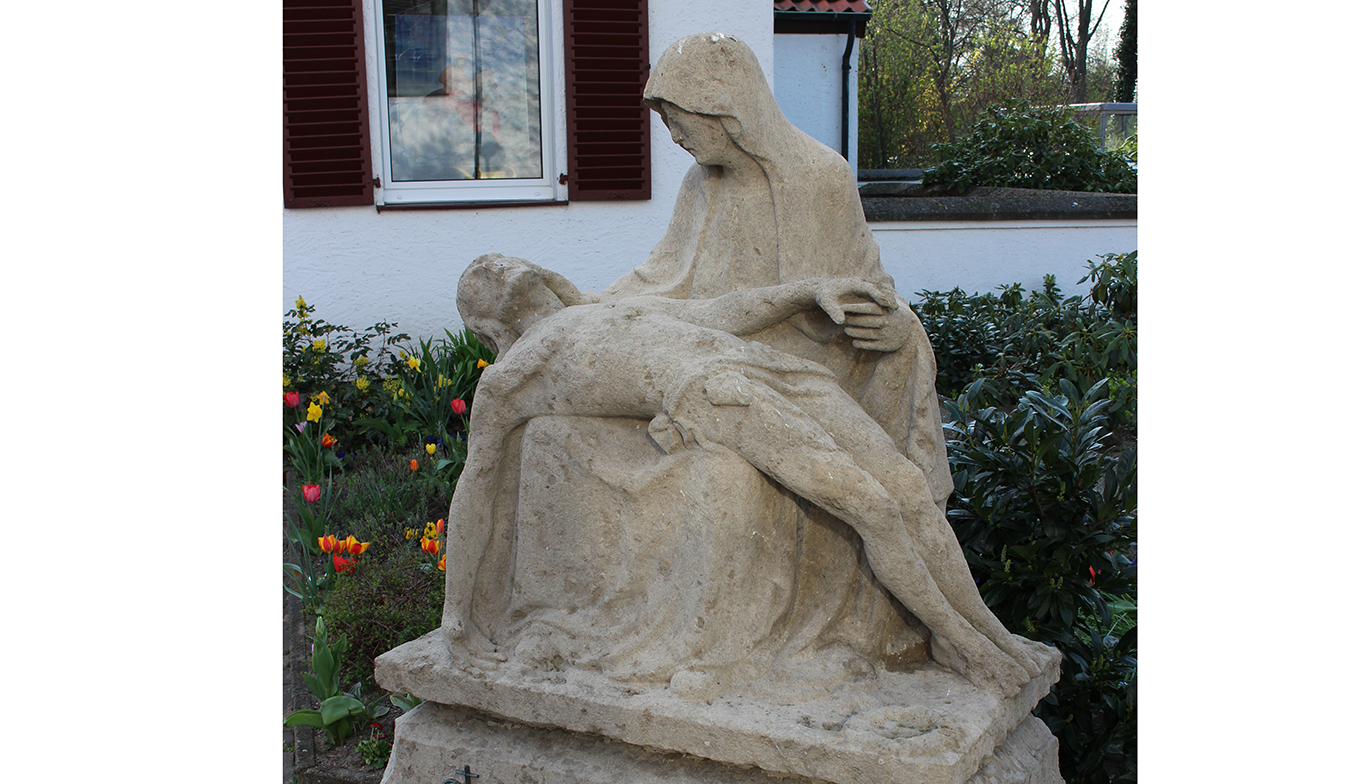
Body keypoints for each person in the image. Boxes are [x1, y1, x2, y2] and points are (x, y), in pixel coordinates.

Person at [447, 255, 1050, 694]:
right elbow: (475, 487)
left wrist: (808, 290)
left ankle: (988, 631)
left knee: (907, 488)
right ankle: (958, 642)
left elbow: (719, 313)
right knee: (870, 504)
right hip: (716, 394)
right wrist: (457, 618)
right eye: (485, 275)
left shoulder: (608, 308)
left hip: (774, 370)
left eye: (502, 262)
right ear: (489, 326)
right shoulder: (513, 375)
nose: (497, 266)